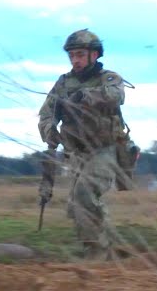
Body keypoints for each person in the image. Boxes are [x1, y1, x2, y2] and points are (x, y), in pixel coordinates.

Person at [37, 29, 130, 260]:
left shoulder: (109, 78)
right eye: (72, 56)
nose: (75, 60)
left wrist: (83, 96)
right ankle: (109, 247)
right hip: (77, 153)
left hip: (106, 149)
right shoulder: (63, 83)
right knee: (77, 205)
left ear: (94, 54)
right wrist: (51, 133)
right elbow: (46, 114)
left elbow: (115, 96)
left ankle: (96, 252)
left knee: (85, 194)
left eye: (79, 55)